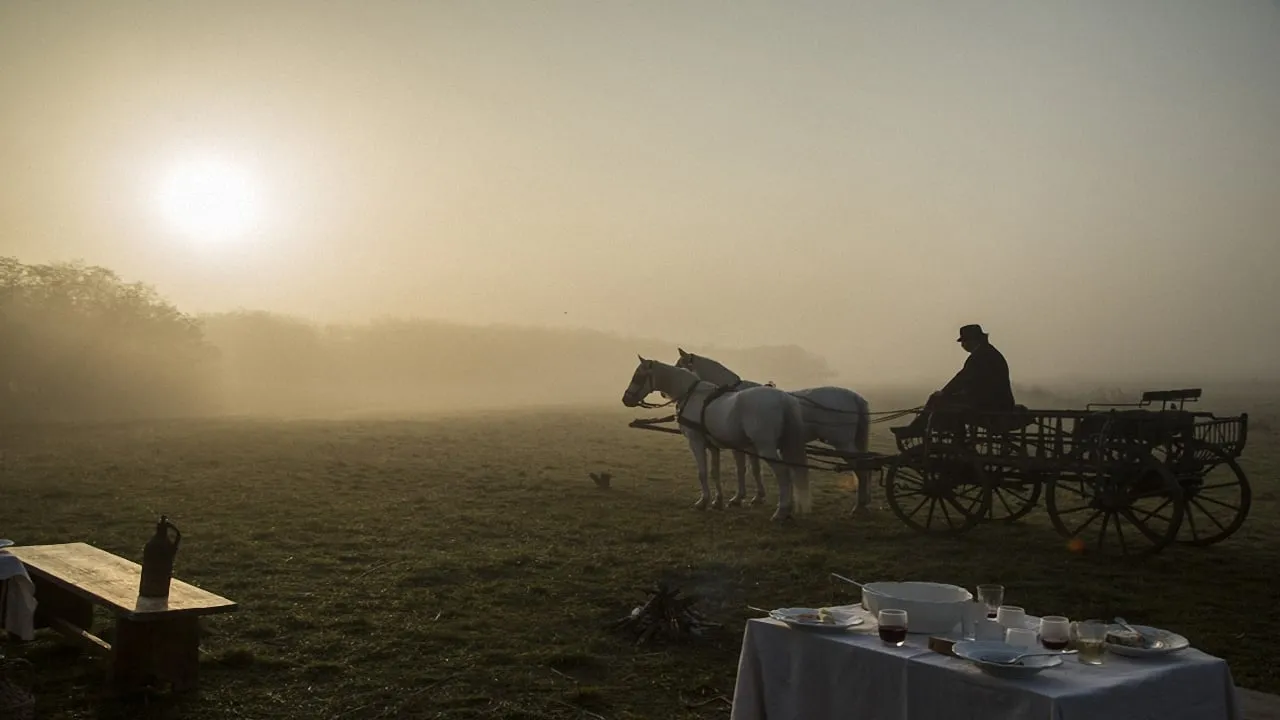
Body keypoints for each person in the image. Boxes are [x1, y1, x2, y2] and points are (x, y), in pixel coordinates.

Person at [894, 324, 1016, 437]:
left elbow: (962, 378)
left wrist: (944, 392)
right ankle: (955, 437)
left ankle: (918, 429)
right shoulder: (987, 352)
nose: (963, 345)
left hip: (990, 402)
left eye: (964, 341)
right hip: (995, 400)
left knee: (936, 399)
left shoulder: (981, 355)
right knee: (947, 401)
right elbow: (971, 381)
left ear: (972, 340)